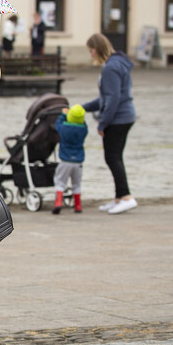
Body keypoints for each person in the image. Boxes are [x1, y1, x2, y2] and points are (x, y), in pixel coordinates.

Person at [83, 33, 137, 215]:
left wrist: (103, 123)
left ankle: (127, 197)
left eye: (91, 50)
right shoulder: (118, 62)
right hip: (125, 116)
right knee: (115, 157)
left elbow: (112, 99)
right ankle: (119, 198)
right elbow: (107, 97)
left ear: (98, 49)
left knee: (112, 158)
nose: (91, 55)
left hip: (118, 119)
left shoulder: (110, 68)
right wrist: (84, 107)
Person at [52, 104, 88, 215]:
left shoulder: (64, 128)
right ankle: (78, 205)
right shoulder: (83, 129)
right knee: (77, 184)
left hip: (65, 161)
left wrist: (63, 115)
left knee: (60, 182)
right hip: (78, 162)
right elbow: (84, 124)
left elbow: (57, 124)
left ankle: (58, 203)